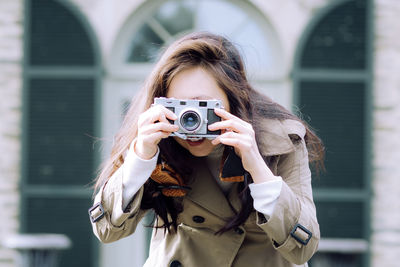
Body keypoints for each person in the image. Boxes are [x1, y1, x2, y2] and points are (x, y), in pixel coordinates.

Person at [89, 32, 324, 267]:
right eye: (178, 108)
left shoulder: (281, 141)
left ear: (234, 99)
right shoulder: (158, 142)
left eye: (204, 107)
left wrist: (259, 169)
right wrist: (140, 158)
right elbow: (106, 231)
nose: (191, 122)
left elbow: (303, 248)